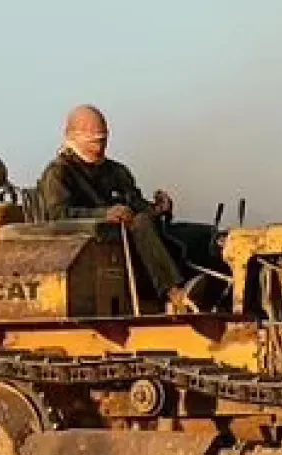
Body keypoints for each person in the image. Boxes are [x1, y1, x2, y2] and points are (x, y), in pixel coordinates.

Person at [36, 104, 196, 314]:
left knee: (194, 233)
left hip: (133, 237)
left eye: (102, 136)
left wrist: (158, 209)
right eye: (92, 136)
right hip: (96, 244)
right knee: (141, 223)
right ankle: (174, 293)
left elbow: (137, 205)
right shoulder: (59, 173)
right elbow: (56, 215)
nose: (99, 141)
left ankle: (208, 288)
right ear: (71, 135)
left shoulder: (117, 171)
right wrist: (103, 215)